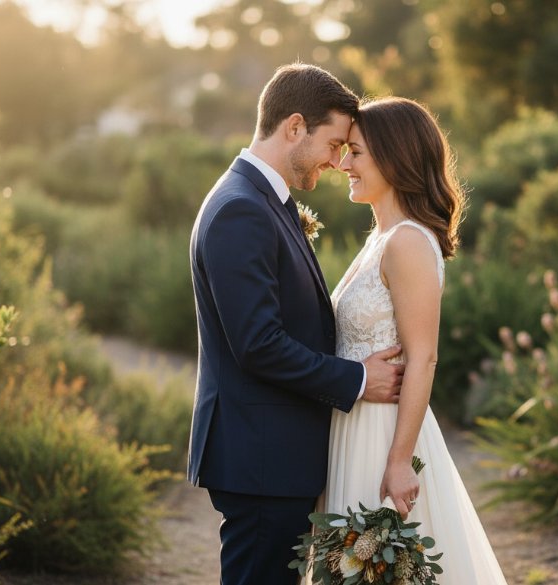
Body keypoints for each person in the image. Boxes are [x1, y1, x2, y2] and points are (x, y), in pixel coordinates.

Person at [187, 63, 405, 585]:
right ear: (294, 127)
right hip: (262, 456)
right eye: (333, 144)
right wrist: (356, 380)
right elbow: (258, 344)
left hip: (273, 453)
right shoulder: (241, 209)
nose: (336, 161)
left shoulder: (264, 202)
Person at [320, 96, 508, 583]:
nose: (343, 164)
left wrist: (400, 462)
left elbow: (423, 358)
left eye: (356, 153)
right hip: (352, 427)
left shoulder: (407, 241)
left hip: (385, 436)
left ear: (393, 157)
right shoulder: (378, 239)